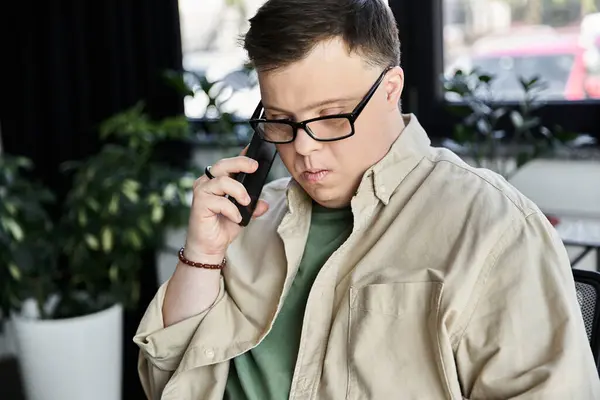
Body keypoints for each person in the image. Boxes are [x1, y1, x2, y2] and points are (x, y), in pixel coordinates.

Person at [134, 0, 600, 398]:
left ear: (391, 89)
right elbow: (165, 383)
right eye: (280, 119)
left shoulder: (491, 226)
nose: (303, 147)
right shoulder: (249, 218)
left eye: (332, 116)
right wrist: (203, 256)